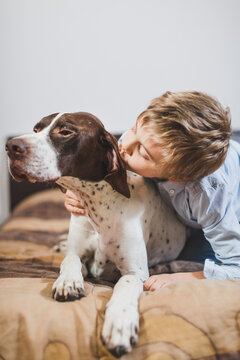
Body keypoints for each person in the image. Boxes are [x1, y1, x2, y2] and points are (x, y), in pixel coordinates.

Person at [64, 91, 240, 290]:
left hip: (224, 214)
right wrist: (77, 194)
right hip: (185, 209)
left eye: (143, 152)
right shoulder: (132, 144)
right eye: (133, 129)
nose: (124, 146)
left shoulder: (208, 194)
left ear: (178, 177)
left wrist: (180, 278)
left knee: (189, 262)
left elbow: (236, 268)